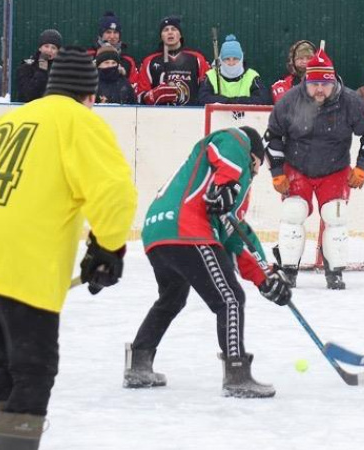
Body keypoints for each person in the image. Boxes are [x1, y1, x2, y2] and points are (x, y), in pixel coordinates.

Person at [0, 47, 138, 448]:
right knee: (34, 369)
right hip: (20, 260)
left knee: (6, 364)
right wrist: (108, 248)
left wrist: (97, 248)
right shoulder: (78, 121)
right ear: (90, 95)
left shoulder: (11, 118)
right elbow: (114, 191)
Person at [124, 126, 291, 399]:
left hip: (157, 232)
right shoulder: (236, 141)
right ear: (253, 156)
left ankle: (139, 363)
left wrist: (266, 276)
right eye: (256, 166)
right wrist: (228, 183)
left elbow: (236, 236)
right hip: (187, 229)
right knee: (230, 299)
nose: (255, 174)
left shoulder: (214, 182)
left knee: (172, 299)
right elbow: (227, 144)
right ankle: (237, 374)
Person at [266, 48, 364, 290]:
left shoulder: (351, 102)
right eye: (314, 84)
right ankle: (289, 270)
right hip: (296, 167)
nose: (320, 90)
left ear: (333, 82)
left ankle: (335, 272)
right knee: (293, 213)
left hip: (335, 170)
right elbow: (273, 137)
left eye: (325, 84)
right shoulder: (289, 101)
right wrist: (277, 173)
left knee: (335, 216)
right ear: (306, 81)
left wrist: (362, 168)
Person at [136, 16, 208, 106]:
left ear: (180, 34)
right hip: (159, 116)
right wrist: (152, 96)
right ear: (161, 36)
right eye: (166, 30)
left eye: (174, 29)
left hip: (191, 115)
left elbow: (206, 92)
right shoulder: (150, 61)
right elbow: (139, 96)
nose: (170, 32)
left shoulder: (197, 58)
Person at [198, 34, 270, 105]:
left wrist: (235, 102)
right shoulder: (211, 76)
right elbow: (203, 98)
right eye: (227, 59)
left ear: (241, 59)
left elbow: (263, 99)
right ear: (221, 60)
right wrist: (227, 101)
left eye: (235, 59)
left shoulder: (252, 76)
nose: (231, 63)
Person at [88, 11, 138, 87]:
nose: (112, 36)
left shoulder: (128, 61)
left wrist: (123, 77)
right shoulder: (88, 56)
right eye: (108, 32)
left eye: (115, 32)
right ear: (101, 34)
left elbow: (134, 87)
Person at [15, 29, 61, 103]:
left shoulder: (60, 69)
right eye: (46, 46)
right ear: (40, 48)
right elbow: (28, 95)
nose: (49, 50)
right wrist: (42, 70)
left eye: (53, 48)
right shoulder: (27, 66)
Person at [272, 40, 314, 104]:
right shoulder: (281, 83)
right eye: (300, 58)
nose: (305, 62)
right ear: (292, 60)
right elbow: (284, 105)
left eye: (309, 58)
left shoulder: (323, 82)